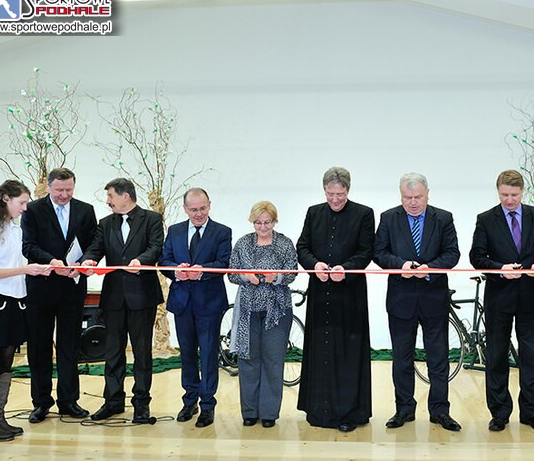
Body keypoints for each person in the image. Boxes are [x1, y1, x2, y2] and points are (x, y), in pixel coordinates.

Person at [469, 170, 534, 433]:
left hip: (531, 296)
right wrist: (499, 268)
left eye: (514, 195)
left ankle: (532, 413)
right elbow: (477, 256)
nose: (509, 200)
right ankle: (499, 413)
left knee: (531, 355)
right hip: (499, 298)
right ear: (498, 191)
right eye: (504, 195)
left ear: (523, 192)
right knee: (496, 355)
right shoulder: (486, 219)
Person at [374, 172, 462, 431]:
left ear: (427, 194)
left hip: (434, 299)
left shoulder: (443, 218)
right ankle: (404, 410)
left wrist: (430, 268)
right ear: (400, 196)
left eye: (418, 197)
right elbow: (379, 253)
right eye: (407, 197)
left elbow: (453, 253)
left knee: (438, 359)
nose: (412, 202)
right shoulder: (389, 218)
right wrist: (400, 265)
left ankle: (439, 411)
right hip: (401, 300)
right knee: (402, 358)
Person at [0, 180, 49, 441]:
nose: (25, 208)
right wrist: (25, 269)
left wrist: (38, 269)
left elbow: (18, 265)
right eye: (21, 202)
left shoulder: (15, 230)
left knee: (5, 363)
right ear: (6, 199)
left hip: (16, 302)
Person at [296, 166, 374, 432]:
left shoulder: (364, 214)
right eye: (330, 194)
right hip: (320, 291)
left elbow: (366, 251)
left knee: (348, 353)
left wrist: (346, 269)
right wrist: (314, 265)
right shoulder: (313, 212)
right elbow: (302, 247)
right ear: (324, 190)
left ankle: (348, 413)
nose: (335, 199)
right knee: (321, 349)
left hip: (350, 294)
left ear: (348, 190)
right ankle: (319, 410)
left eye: (340, 194)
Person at [81, 178, 164, 423]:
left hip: (142, 297)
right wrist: (88, 260)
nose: (108, 201)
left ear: (125, 196)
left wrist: (141, 261)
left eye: (111, 196)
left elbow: (156, 247)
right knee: (113, 352)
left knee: (142, 353)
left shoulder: (152, 219)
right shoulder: (105, 223)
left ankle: (141, 404)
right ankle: (113, 401)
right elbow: (95, 248)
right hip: (114, 298)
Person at [21, 168, 97, 423]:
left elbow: (93, 244)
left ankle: (68, 401)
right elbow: (28, 246)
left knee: (70, 346)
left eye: (69, 190)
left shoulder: (85, 210)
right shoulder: (32, 210)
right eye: (59, 190)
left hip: (72, 288)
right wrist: (52, 262)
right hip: (41, 288)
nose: (64, 195)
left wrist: (85, 263)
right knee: (39, 347)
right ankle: (41, 402)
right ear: (48, 186)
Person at [160, 188, 231, 428]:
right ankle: (189, 401)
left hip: (209, 303)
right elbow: (164, 261)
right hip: (182, 302)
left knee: (208, 355)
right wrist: (176, 271)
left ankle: (207, 405)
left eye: (202, 208)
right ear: (185, 209)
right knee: (187, 354)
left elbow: (224, 263)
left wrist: (202, 271)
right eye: (193, 209)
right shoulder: (175, 230)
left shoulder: (222, 232)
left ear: (209, 205)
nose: (199, 213)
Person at [228, 201, 297, 428]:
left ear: (274, 221)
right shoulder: (243, 243)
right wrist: (245, 276)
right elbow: (231, 272)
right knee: (248, 360)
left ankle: (269, 413)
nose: (263, 227)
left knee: (273, 361)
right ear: (252, 222)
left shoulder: (284, 244)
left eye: (267, 222)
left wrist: (276, 277)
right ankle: (249, 411)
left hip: (277, 311)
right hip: (248, 311)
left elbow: (292, 272)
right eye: (258, 223)